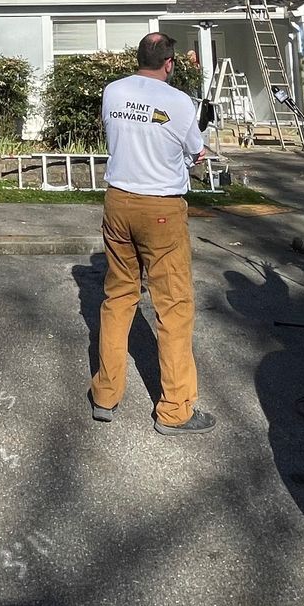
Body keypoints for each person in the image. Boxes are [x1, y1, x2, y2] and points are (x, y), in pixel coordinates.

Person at [90, 31, 213, 434]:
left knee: (118, 296)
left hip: (118, 200)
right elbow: (195, 153)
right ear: (170, 63)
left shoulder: (113, 91)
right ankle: (175, 409)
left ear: (138, 57)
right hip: (160, 206)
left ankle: (106, 394)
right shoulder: (179, 102)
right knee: (173, 307)